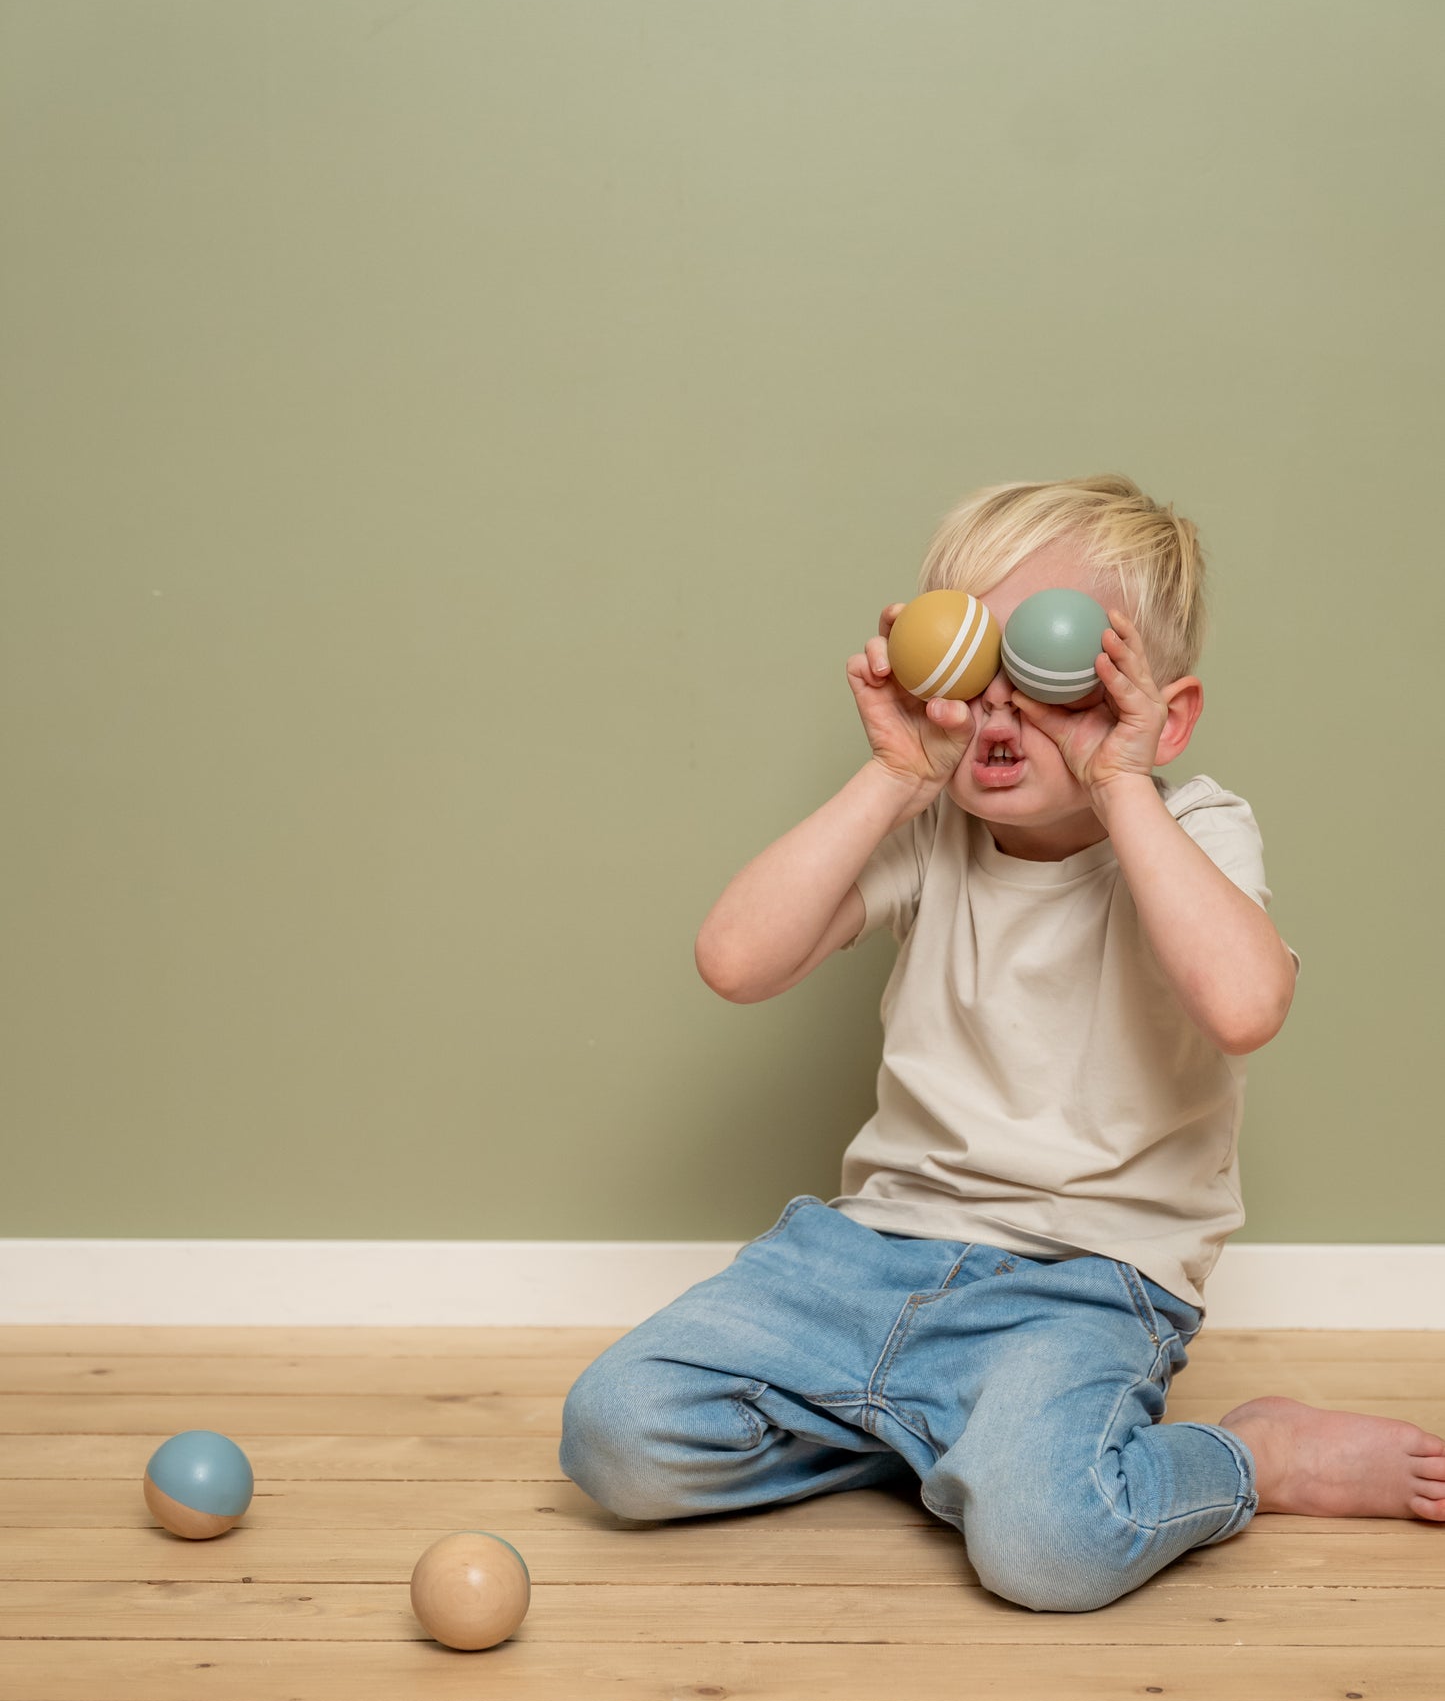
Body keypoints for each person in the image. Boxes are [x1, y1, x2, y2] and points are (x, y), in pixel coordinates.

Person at [560, 473, 1445, 1610]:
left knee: (1048, 1547)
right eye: (970, 671)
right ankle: (936, 1432)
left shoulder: (1189, 826)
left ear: (1157, 713)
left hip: (1080, 1284)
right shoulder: (929, 829)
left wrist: (1118, 783)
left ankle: (1249, 1457)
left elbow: (1242, 1005)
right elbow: (735, 961)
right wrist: (891, 775)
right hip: (864, 1256)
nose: (996, 714)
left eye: (1051, 679)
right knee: (615, 1435)